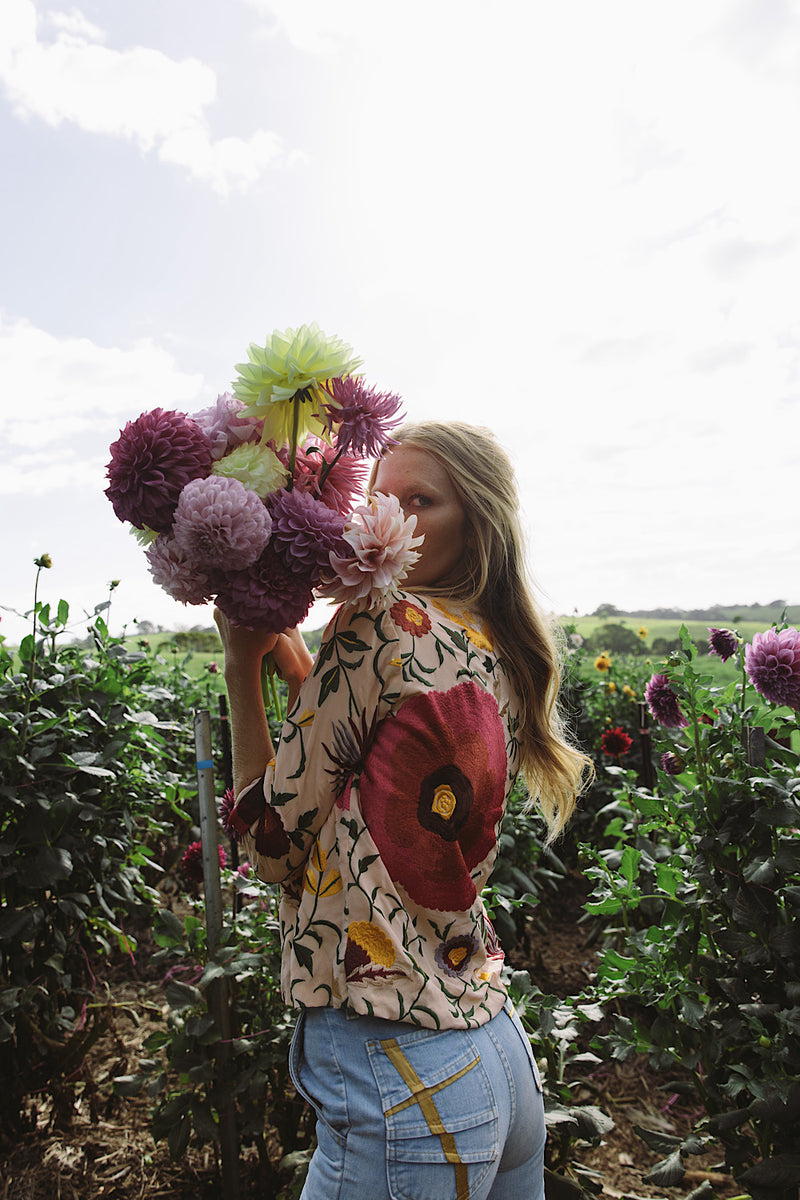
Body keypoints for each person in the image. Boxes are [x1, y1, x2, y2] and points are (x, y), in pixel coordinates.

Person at [216, 421, 591, 1200]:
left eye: (422, 500)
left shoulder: (376, 624)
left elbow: (275, 844)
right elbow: (380, 773)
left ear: (477, 524)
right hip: (492, 1049)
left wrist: (239, 665)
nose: (392, 518)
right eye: (381, 497)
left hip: (400, 1063)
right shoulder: (498, 644)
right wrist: (305, 676)